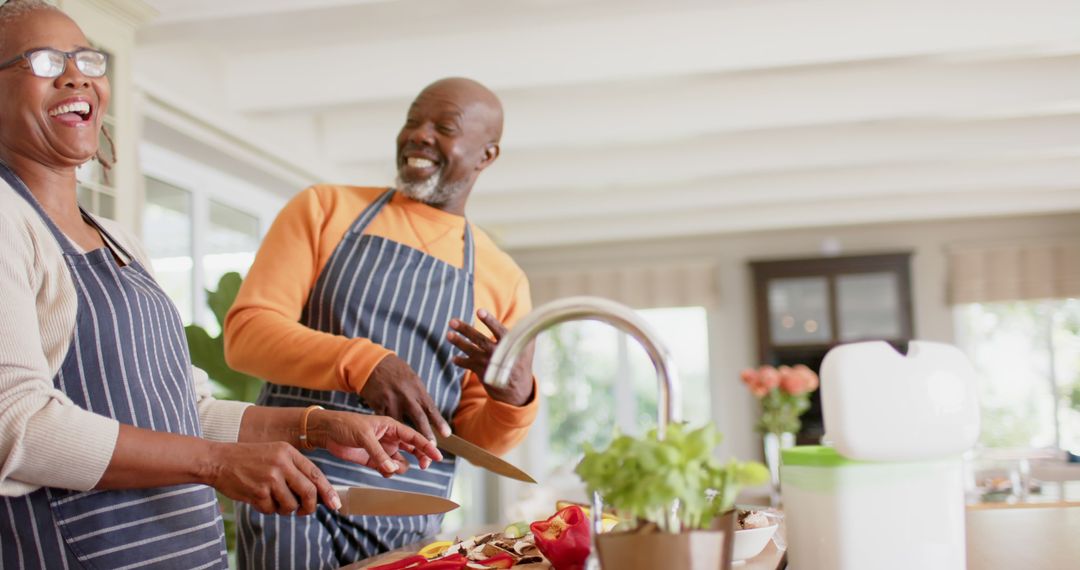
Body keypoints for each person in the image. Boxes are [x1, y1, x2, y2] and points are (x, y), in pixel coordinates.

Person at [0, 2, 441, 568]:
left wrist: (314, 425)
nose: (75, 75)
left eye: (86, 59)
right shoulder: (8, 220)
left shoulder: (117, 239)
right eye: (42, 61)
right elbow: (18, 427)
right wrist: (215, 464)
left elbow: (183, 410)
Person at [224, 77, 540, 566]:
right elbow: (247, 335)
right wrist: (363, 362)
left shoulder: (504, 279)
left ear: (486, 155)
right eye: (412, 121)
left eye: (443, 127)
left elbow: (476, 436)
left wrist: (513, 399)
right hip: (290, 488)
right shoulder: (325, 209)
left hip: (408, 519)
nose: (419, 135)